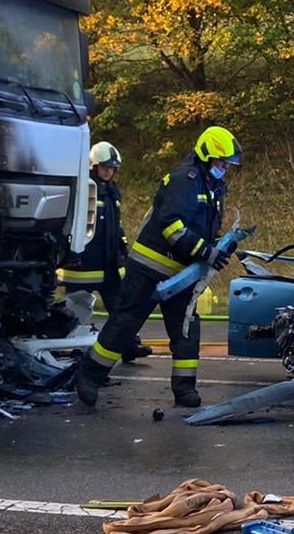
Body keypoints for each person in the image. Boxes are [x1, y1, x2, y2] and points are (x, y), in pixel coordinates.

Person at [73, 127, 241, 410]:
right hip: (149, 268)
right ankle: (89, 376)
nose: (224, 168)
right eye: (220, 162)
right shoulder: (183, 181)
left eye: (227, 164)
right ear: (205, 155)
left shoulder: (213, 188)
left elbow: (203, 229)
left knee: (186, 330)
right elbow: (172, 226)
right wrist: (204, 251)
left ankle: (184, 390)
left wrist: (220, 247)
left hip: (181, 275)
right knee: (124, 325)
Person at [57, 142, 147, 366]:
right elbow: (68, 224)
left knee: (120, 307)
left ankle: (128, 346)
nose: (109, 171)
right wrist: (70, 253)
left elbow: (116, 225)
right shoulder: (82, 189)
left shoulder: (112, 191)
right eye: (105, 167)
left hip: (107, 262)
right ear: (93, 166)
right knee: (78, 309)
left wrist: (122, 248)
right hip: (83, 263)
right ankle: (77, 349)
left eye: (112, 168)